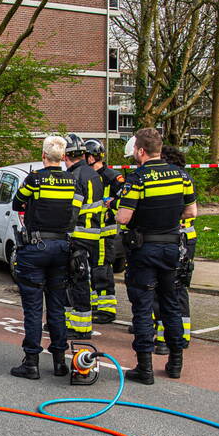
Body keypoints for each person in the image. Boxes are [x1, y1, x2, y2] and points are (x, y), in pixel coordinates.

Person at [116, 128, 197, 383]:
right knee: (170, 303)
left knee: (142, 307)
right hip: (172, 248)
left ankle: (145, 368)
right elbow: (191, 211)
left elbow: (124, 217)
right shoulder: (181, 175)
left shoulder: (138, 178)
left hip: (144, 249)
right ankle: (175, 363)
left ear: (141, 150)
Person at [8, 136, 84, 379]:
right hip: (62, 245)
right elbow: (76, 210)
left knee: (32, 308)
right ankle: (60, 362)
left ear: (43, 156)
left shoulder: (34, 179)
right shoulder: (72, 181)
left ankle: (31, 363)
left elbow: (17, 203)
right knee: (57, 307)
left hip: (35, 247)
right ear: (63, 157)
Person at [154, 144, 197, 354]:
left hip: (178, 239)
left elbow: (189, 212)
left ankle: (171, 338)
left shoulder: (174, 178)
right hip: (182, 238)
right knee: (175, 287)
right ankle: (177, 335)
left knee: (171, 288)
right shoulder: (183, 177)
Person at [62, 133, 106, 339]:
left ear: (65, 156)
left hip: (78, 235)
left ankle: (80, 327)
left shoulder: (75, 176)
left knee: (76, 280)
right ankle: (74, 323)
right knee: (80, 278)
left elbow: (72, 210)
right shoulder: (92, 173)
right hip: (92, 234)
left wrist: (63, 232)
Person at [84, 139, 126, 324]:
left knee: (102, 269)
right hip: (89, 232)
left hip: (104, 232)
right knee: (91, 269)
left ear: (91, 157)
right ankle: (95, 304)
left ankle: (107, 309)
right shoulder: (85, 175)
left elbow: (126, 202)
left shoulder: (112, 177)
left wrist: (111, 209)